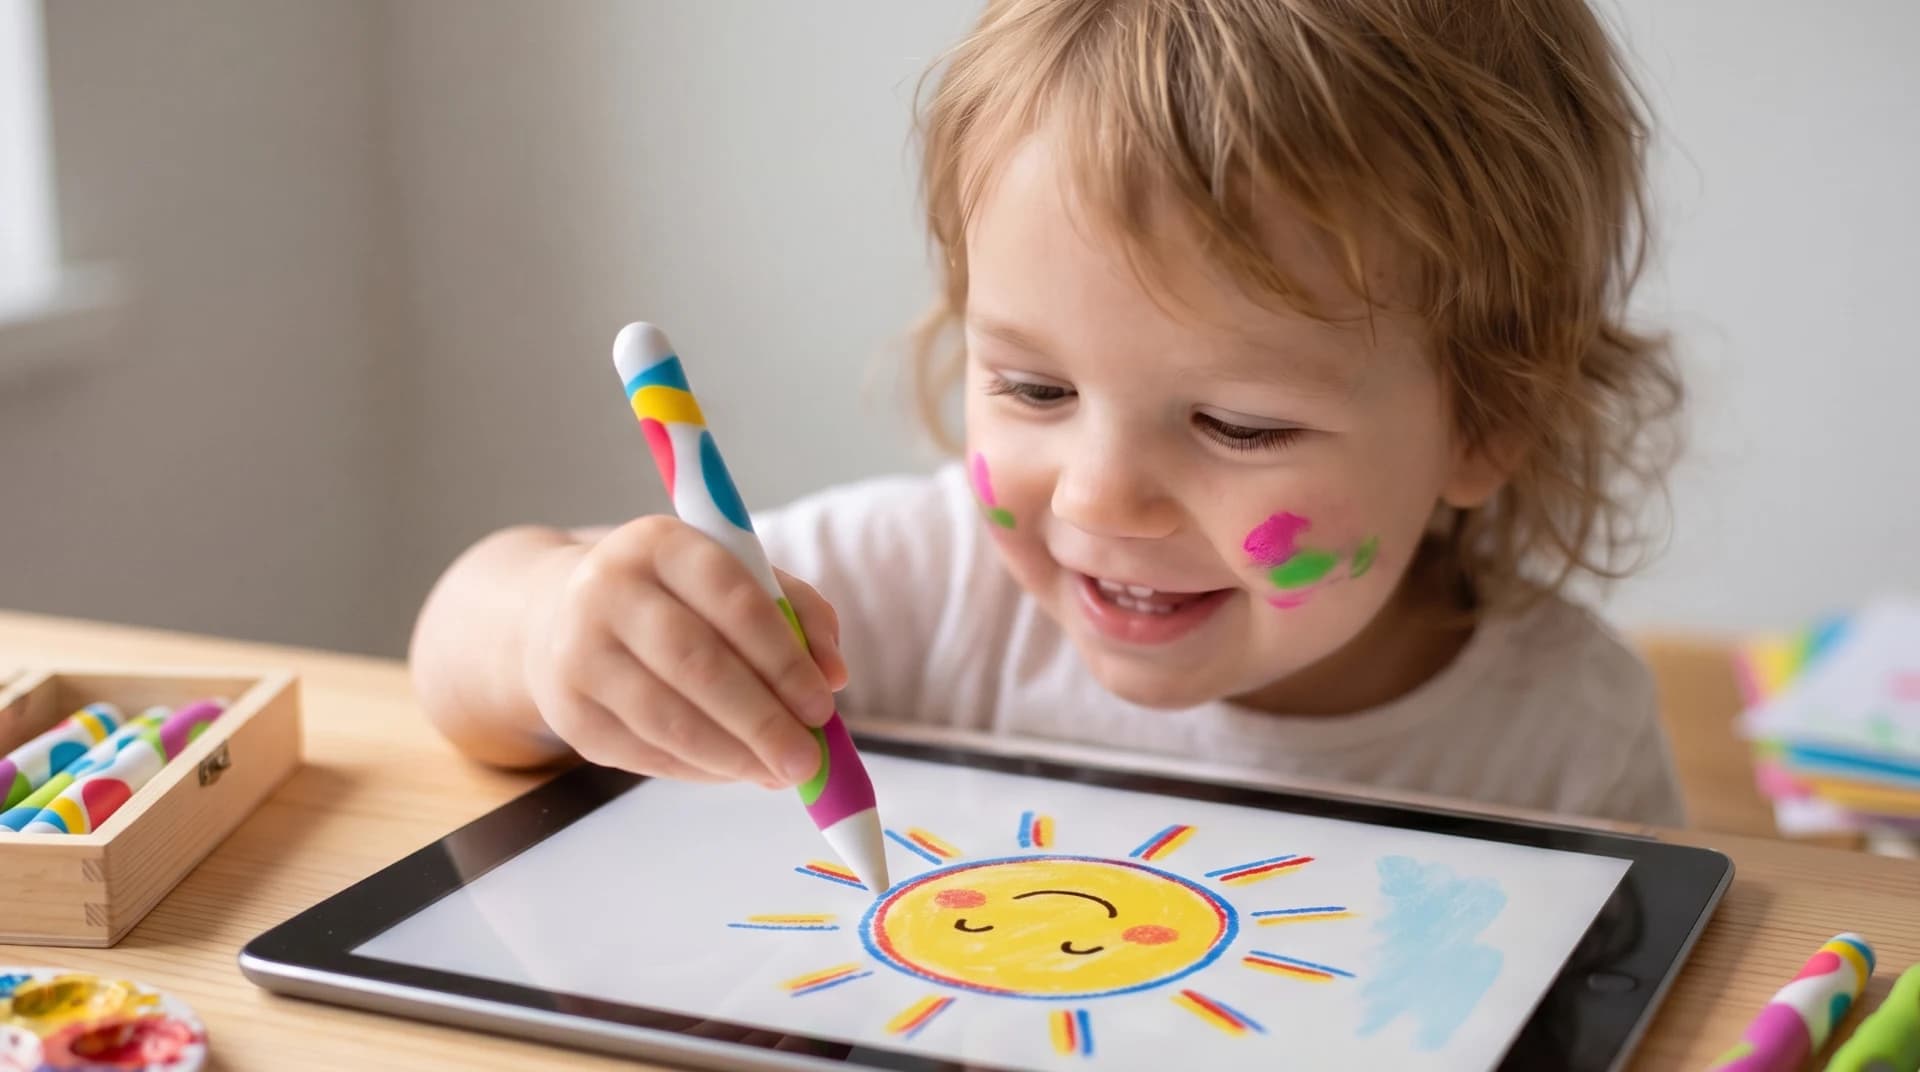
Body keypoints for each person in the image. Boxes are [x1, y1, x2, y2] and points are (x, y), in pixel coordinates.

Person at [410, 0, 1687, 825]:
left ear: (1488, 419)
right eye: (1033, 388)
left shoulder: (1564, 737)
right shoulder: (911, 590)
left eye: (1238, 425)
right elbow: (456, 654)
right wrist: (551, 631)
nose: (1094, 500)